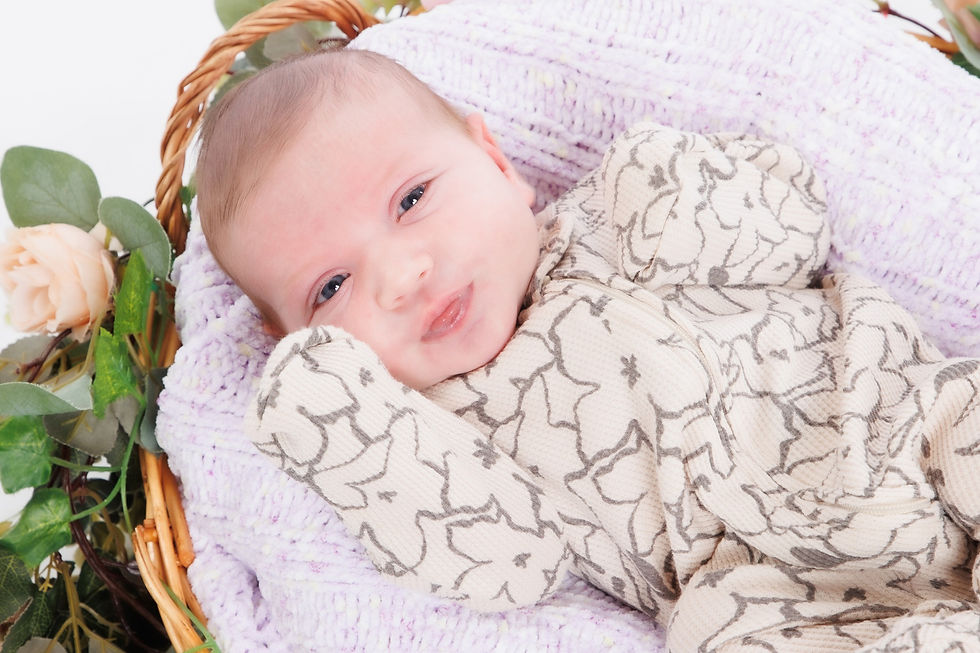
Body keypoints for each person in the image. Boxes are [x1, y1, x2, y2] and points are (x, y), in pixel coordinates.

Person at [195, 48, 980, 651]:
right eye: (331, 287)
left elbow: (793, 226)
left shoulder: (610, 216)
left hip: (887, 412)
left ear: (497, 163)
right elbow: (505, 564)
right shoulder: (437, 436)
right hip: (757, 581)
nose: (401, 275)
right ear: (299, 346)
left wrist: (671, 186)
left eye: (411, 199)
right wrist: (333, 414)